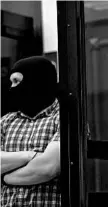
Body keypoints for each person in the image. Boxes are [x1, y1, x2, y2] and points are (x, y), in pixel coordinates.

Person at [1, 56, 61, 206]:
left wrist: (4, 178)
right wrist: (31, 156)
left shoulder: (65, 119)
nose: (12, 88)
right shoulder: (6, 122)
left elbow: (47, 169)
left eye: (16, 81)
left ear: (36, 81)